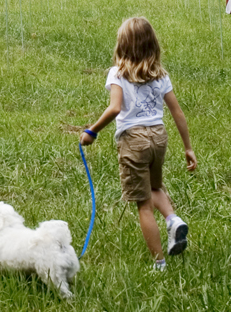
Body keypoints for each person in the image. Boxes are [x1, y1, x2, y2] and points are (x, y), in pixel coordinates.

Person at [79, 16, 197, 271]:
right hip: (158, 136)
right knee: (155, 187)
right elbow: (177, 112)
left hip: (133, 141)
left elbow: (114, 108)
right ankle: (173, 219)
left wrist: (92, 131)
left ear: (122, 45)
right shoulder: (160, 75)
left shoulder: (117, 74)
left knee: (143, 203)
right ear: (152, 45)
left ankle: (160, 264)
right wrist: (188, 147)